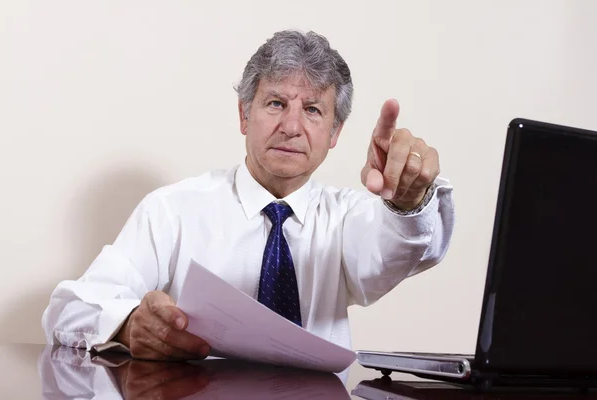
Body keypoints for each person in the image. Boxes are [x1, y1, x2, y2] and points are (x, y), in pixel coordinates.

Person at [42, 29, 455, 361]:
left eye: (313, 110)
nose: (292, 126)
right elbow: (68, 309)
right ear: (244, 115)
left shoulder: (348, 217)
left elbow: (399, 253)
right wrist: (130, 325)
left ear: (334, 134)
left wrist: (407, 201)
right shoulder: (173, 209)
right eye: (276, 103)